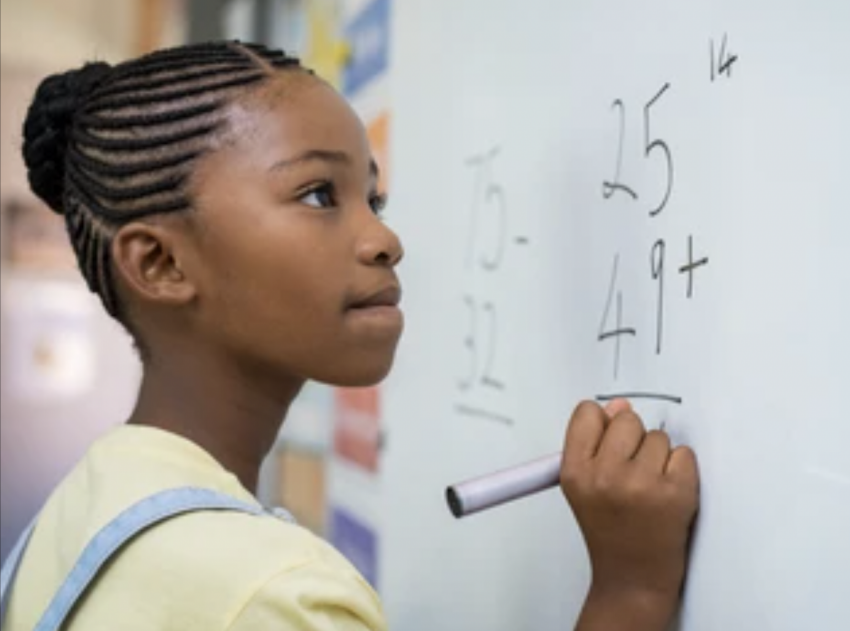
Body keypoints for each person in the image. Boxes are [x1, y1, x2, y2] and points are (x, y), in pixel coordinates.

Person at [0, 41, 700, 631]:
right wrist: (630, 591)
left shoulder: (79, 512)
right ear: (160, 262)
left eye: (374, 199)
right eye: (317, 196)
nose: (385, 239)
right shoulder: (273, 595)